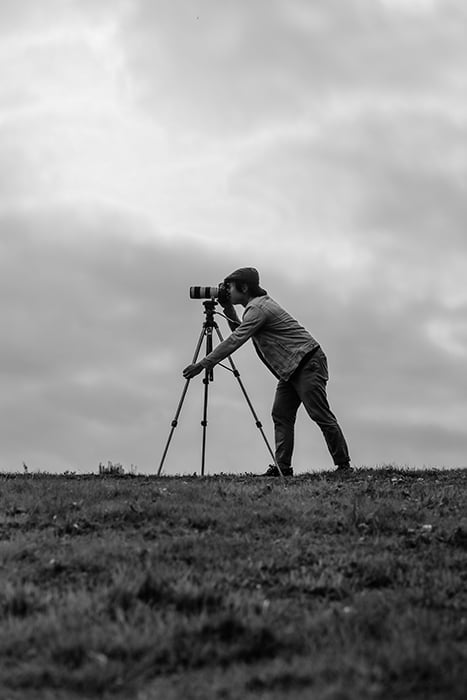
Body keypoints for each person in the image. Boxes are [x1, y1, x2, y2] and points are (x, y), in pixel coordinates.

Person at [183, 267, 351, 476]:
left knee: (319, 414)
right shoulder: (256, 307)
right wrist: (227, 309)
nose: (225, 291)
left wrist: (203, 364)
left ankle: (344, 465)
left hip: (307, 362)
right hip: (291, 368)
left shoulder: (258, 309)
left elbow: (236, 339)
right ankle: (283, 468)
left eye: (229, 287)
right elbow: (242, 331)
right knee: (281, 414)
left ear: (243, 287)